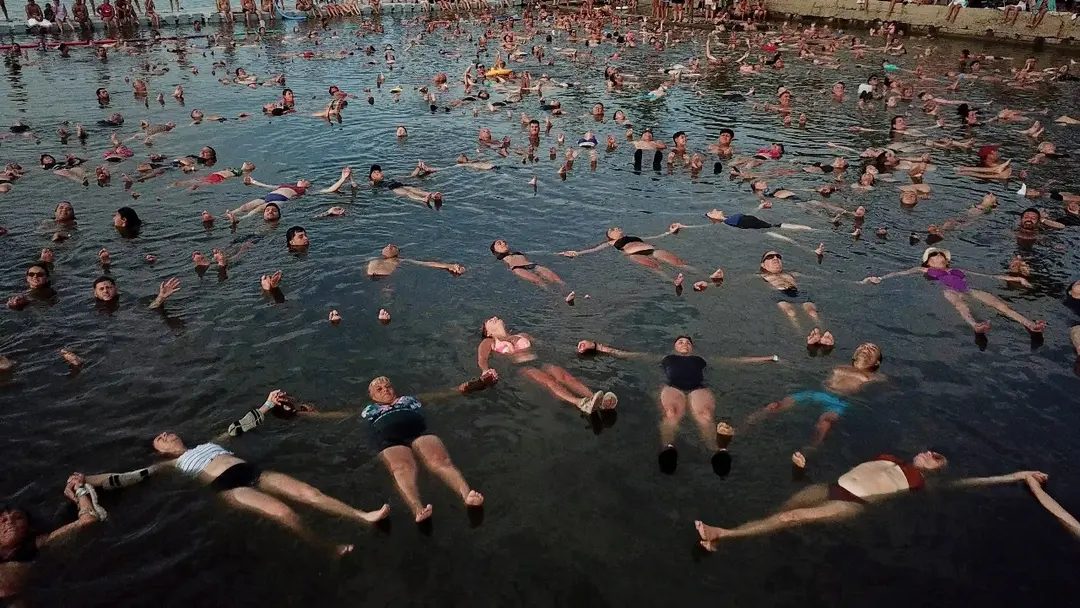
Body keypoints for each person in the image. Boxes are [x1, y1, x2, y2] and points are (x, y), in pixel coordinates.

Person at [87, 391, 388, 555]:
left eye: (167, 432)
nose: (165, 434)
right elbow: (129, 477)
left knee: (310, 494)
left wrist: (268, 404)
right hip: (229, 487)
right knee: (284, 513)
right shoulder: (169, 465)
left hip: (252, 471)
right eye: (159, 438)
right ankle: (327, 547)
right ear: (159, 451)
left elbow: (241, 425)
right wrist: (88, 480)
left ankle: (362, 516)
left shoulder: (208, 442)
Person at [694, 451, 1050, 551]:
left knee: (791, 519)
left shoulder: (921, 483)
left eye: (937, 458)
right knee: (781, 511)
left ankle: (723, 534)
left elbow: (970, 484)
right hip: (831, 485)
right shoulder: (892, 456)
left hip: (853, 504)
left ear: (938, 471)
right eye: (929, 451)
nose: (929, 454)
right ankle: (740, 533)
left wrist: (1016, 475)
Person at [264, 377, 486, 523]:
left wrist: (469, 387)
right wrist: (300, 413)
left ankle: (466, 494)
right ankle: (417, 507)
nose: (386, 389)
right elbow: (332, 416)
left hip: (418, 431)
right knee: (401, 468)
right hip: (388, 438)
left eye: (388, 385)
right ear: (372, 396)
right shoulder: (369, 410)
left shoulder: (409, 400)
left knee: (439, 460)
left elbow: (442, 394)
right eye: (379, 388)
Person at [577, 335, 777, 473]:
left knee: (706, 415)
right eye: (680, 342)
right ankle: (668, 448)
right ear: (674, 347)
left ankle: (717, 450)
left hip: (698, 387)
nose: (684, 344)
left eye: (688, 343)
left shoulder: (701, 360)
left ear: (692, 347)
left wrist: (768, 358)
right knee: (672, 413)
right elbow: (629, 354)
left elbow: (736, 361)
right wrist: (596, 346)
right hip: (673, 387)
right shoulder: (666, 358)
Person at [861, 248, 1043, 338]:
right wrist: (881, 278)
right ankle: (975, 325)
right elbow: (901, 273)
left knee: (999, 304)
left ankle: (1028, 323)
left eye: (940, 255)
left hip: (969, 289)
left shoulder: (957, 269)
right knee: (960, 305)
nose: (937, 257)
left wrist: (1016, 279)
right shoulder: (922, 270)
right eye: (933, 256)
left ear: (946, 260)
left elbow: (990, 276)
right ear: (928, 263)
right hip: (947, 290)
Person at [747, 342, 884, 450]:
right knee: (774, 405)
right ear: (854, 355)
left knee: (825, 423)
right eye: (863, 346)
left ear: (877, 362)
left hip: (839, 403)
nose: (866, 348)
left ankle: (809, 451)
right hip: (817, 394)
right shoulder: (838, 366)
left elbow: (885, 394)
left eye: (872, 348)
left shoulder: (876, 377)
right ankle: (744, 427)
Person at [479, 316, 616, 416]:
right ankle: (580, 403)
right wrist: (485, 370)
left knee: (565, 376)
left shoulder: (522, 335)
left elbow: (546, 345)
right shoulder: (489, 342)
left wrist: (574, 349)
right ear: (488, 332)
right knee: (549, 381)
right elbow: (482, 359)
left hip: (538, 360)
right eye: (491, 320)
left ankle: (598, 401)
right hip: (520, 367)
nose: (495, 317)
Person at [0, 474, 105, 600]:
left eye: (18, 518)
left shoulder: (39, 543)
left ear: (29, 526)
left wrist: (79, 490)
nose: (10, 522)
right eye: (3, 521)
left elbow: (87, 520)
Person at [226, 168, 351, 225]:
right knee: (245, 205)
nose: (303, 179)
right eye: (302, 178)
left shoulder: (304, 191)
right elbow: (269, 186)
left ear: (308, 185)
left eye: (306, 180)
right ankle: (227, 215)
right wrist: (254, 182)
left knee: (261, 208)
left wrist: (342, 178)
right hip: (268, 196)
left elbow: (329, 190)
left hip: (280, 200)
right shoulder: (284, 185)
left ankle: (240, 220)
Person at [760, 250, 832, 342]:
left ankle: (824, 335)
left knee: (812, 313)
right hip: (780, 294)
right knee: (790, 312)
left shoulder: (791, 274)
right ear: (763, 265)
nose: (775, 258)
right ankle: (801, 335)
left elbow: (816, 276)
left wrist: (818, 256)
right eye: (770, 257)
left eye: (778, 256)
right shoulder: (762, 276)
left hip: (798, 293)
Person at [558, 227, 688, 277]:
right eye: (613, 229)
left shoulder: (633, 236)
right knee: (656, 267)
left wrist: (670, 232)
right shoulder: (610, 242)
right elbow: (594, 250)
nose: (617, 228)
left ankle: (699, 273)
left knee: (679, 262)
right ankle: (672, 281)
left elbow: (654, 237)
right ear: (610, 235)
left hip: (652, 250)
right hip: (634, 255)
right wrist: (577, 253)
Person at [490, 239, 563, 287]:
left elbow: (538, 253)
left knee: (554, 277)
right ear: (494, 250)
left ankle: (567, 292)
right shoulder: (499, 258)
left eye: (504, 242)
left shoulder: (518, 253)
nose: (503, 244)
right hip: (518, 269)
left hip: (532, 265)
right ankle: (555, 296)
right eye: (499, 243)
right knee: (539, 281)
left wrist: (560, 254)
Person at [366, 244, 464, 278]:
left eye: (393, 247)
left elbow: (427, 263)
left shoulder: (399, 260)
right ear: (382, 252)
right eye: (387, 246)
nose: (389, 245)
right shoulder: (372, 259)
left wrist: (448, 266)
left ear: (397, 253)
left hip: (385, 280)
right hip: (371, 277)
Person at [369, 165, 443, 209]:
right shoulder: (373, 182)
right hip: (393, 188)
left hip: (400, 185)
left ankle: (432, 195)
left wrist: (418, 168)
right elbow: (365, 186)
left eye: (379, 172)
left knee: (414, 190)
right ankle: (423, 199)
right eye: (375, 173)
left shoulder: (389, 178)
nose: (379, 173)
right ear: (372, 176)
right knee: (407, 193)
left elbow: (409, 177)